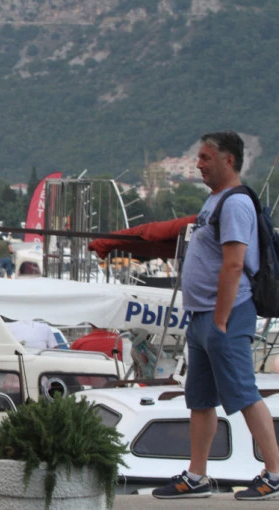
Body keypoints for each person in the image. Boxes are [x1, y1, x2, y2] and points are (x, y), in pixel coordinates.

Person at [152, 131, 279, 501]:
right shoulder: (215, 201)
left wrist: (221, 319)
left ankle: (275, 473)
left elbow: (235, 262)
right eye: (199, 157)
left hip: (227, 315)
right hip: (202, 317)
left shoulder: (235, 204)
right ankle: (197, 475)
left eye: (206, 158)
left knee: (243, 392)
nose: (198, 164)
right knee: (201, 398)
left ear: (229, 160)